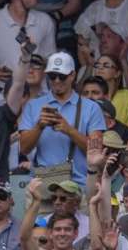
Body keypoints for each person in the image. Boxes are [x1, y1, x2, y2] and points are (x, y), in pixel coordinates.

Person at [18, 52, 107, 186]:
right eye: (52, 76)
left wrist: (69, 130)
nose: (57, 81)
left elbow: (96, 152)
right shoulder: (33, 105)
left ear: (72, 75)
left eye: (62, 76)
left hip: (78, 185)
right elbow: (24, 149)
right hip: (42, 183)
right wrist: (39, 126)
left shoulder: (91, 108)